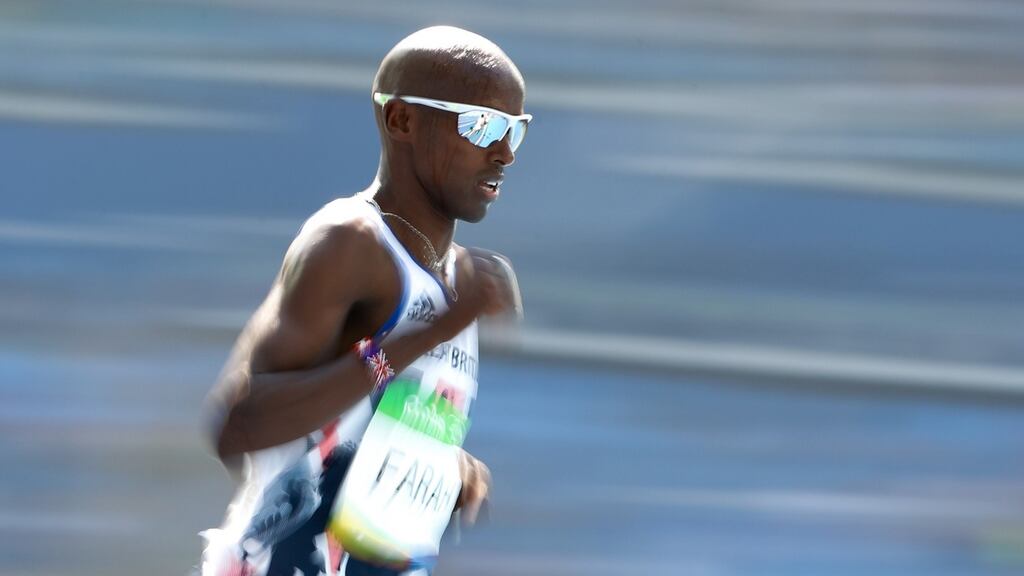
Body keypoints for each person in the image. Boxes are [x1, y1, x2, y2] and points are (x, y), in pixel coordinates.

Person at [198, 26, 530, 576]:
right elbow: (239, 427)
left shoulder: (459, 276)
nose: (504, 153)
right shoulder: (350, 242)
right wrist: (432, 333)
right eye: (482, 124)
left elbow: (349, 427)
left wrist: (442, 465)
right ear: (402, 119)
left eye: (516, 130)